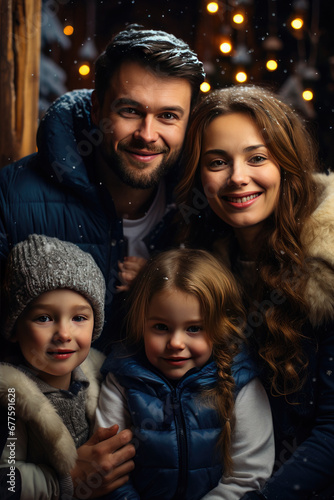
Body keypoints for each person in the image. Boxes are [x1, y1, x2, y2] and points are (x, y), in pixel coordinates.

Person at [0, 25, 205, 354]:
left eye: (168, 116)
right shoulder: (11, 197)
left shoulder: (209, 206)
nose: (147, 134)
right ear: (97, 109)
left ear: (188, 122)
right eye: (130, 111)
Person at [176, 85, 334, 499]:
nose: (237, 177)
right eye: (217, 162)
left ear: (286, 164)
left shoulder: (327, 273)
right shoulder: (205, 265)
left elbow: (333, 432)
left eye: (257, 157)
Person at [95, 248, 275, 500]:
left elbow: (249, 475)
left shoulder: (240, 382)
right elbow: (110, 469)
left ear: (220, 327)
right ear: (140, 323)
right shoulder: (122, 380)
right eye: (161, 327)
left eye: (193, 328)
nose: (176, 342)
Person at [0, 234, 135, 499]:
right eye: (44, 318)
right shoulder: (12, 397)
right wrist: (64, 481)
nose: (64, 333)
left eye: (79, 317)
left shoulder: (101, 375)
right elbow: (5, 480)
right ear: (15, 328)